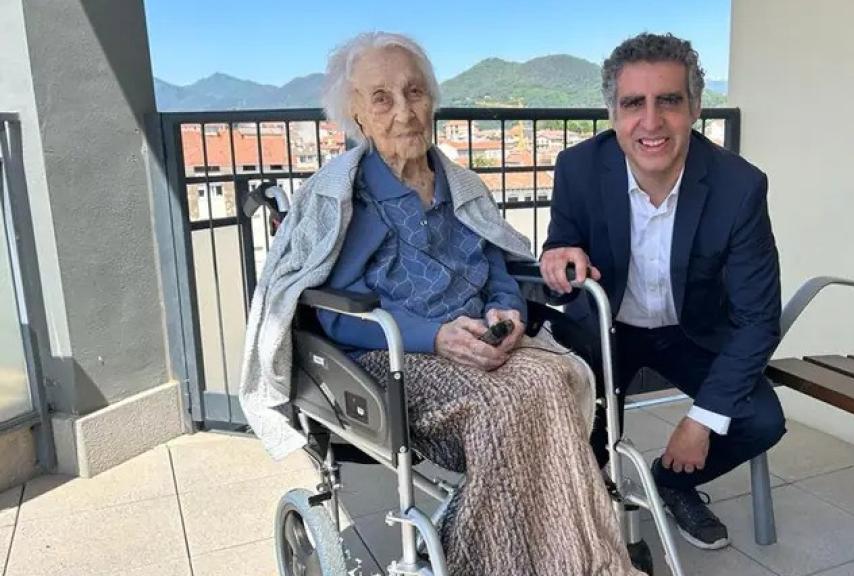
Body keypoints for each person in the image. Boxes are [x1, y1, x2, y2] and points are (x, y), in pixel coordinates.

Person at [239, 32, 643, 576]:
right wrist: (433, 337)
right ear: (356, 114)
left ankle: (570, 560)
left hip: (481, 338)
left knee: (555, 378)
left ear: (431, 99)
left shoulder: (461, 186)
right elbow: (329, 311)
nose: (404, 111)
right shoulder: (345, 200)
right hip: (399, 357)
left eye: (414, 92)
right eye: (381, 97)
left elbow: (498, 266)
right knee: (505, 406)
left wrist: (508, 312)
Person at [540, 32, 787, 550]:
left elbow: (758, 317)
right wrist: (559, 256)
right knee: (572, 437)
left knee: (759, 419)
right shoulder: (579, 168)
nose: (650, 122)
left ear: (695, 107)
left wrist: (700, 421)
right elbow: (561, 242)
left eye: (669, 101)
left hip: (690, 333)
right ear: (613, 111)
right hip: (606, 332)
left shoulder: (739, 187)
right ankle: (591, 516)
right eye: (634, 103)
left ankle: (669, 483)